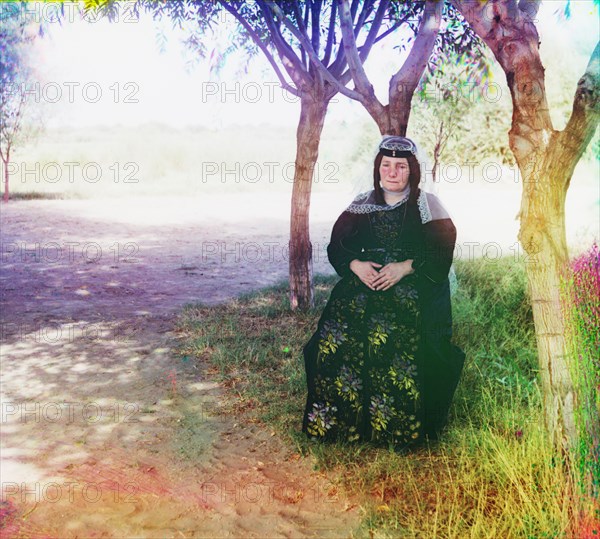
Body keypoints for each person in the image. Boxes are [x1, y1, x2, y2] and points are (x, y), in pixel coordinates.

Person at [301, 135, 466, 449]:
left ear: (412, 171)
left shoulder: (427, 204)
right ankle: (339, 423)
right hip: (368, 278)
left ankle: (395, 428)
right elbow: (337, 246)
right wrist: (355, 264)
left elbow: (441, 251)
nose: (392, 172)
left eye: (400, 166)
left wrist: (405, 267)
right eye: (386, 165)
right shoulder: (363, 204)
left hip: (415, 282)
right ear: (378, 169)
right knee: (336, 328)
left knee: (389, 329)